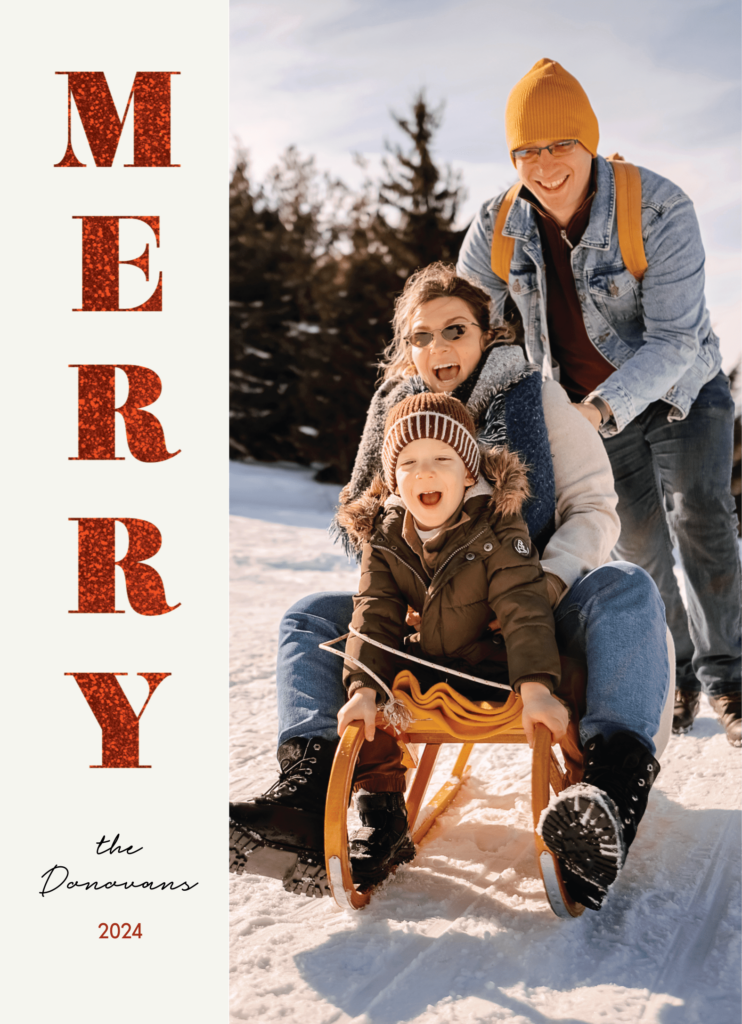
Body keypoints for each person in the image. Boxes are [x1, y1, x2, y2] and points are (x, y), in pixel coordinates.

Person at [229, 264, 672, 908]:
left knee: (626, 586)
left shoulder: (534, 397)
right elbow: (377, 540)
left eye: (454, 331)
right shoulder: (396, 415)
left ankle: (606, 797)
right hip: (431, 613)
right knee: (311, 616)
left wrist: (546, 583)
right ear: (403, 347)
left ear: (487, 335)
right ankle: (307, 791)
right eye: (419, 336)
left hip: (536, 601)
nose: (436, 349)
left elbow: (596, 508)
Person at [456, 58, 741, 746]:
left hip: (682, 391)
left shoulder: (659, 207)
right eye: (527, 151)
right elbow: (465, 324)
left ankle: (730, 678)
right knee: (635, 541)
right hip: (586, 404)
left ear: (589, 143)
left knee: (699, 518)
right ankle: (672, 676)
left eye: (561, 147)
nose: (546, 166)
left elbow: (675, 339)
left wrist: (592, 412)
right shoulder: (497, 227)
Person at [335, 389, 656, 909]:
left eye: (442, 459)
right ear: (393, 479)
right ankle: (381, 811)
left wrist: (535, 689)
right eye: (409, 463)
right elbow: (375, 612)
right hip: (430, 665)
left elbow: (524, 608)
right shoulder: (386, 534)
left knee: (569, 682)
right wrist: (363, 687)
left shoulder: (498, 525)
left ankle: (592, 799)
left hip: (495, 665)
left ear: (468, 472)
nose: (425, 474)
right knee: (362, 688)